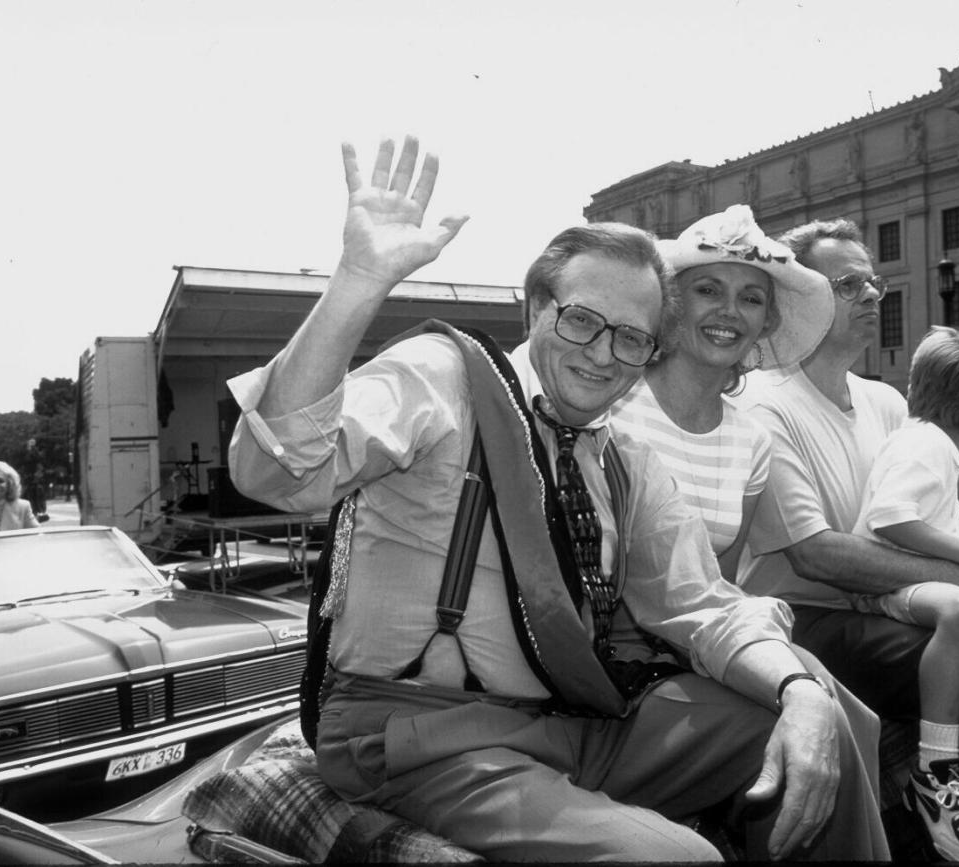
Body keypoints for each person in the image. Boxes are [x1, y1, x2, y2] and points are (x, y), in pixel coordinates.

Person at [227, 137, 887, 862]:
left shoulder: (623, 461)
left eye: (632, 338)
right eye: (581, 321)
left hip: (570, 722)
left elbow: (701, 604)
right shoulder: (444, 379)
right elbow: (278, 469)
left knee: (828, 720)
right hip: (426, 739)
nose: (603, 354)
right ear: (537, 307)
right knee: (680, 860)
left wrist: (799, 688)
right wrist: (356, 282)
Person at [736, 216, 959, 860]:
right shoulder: (765, 406)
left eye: (872, 281)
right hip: (810, 619)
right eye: (848, 284)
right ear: (797, 295)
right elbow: (816, 555)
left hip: (896, 604)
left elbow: (934, 521)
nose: (873, 294)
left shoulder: (886, 403)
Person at [610, 204, 834, 581]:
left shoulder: (752, 442)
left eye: (750, 299)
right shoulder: (613, 404)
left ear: (766, 322)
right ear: (671, 304)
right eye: (709, 291)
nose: (729, 311)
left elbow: (722, 586)